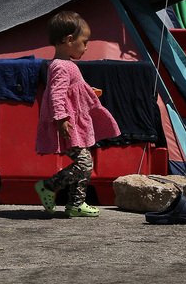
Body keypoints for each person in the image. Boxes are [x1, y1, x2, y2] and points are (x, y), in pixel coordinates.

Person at [34, 11, 120, 217]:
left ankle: (76, 203)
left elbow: (72, 89)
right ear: (69, 40)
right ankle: (49, 186)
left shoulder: (67, 65)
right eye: (84, 41)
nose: (86, 46)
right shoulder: (60, 67)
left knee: (85, 162)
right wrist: (61, 119)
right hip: (68, 123)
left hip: (72, 122)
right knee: (84, 163)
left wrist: (88, 91)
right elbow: (57, 94)